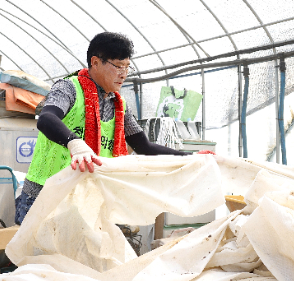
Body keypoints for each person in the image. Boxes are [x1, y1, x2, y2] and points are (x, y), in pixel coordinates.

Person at [15, 32, 189, 224]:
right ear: (95, 62)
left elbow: (144, 147)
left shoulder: (119, 105)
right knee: (41, 254)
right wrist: (74, 143)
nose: (123, 74)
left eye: (127, 67)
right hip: (45, 196)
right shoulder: (69, 89)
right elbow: (46, 118)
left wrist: (191, 159)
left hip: (86, 199)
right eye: (117, 66)